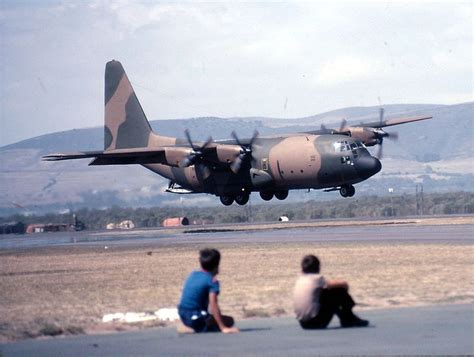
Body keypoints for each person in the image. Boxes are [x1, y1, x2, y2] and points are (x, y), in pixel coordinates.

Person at [293, 254, 369, 329]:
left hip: (303, 324)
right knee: (338, 291)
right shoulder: (317, 278)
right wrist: (345, 286)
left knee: (327, 292)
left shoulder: (299, 280)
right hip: (316, 323)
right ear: (318, 267)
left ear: (302, 268)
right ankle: (349, 318)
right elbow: (340, 285)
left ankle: (347, 318)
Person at [177, 248, 239, 333]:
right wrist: (223, 327)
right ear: (217, 264)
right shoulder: (211, 281)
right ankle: (194, 328)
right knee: (229, 321)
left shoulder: (193, 274)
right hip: (196, 315)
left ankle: (190, 325)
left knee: (214, 320)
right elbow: (213, 305)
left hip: (182, 313)